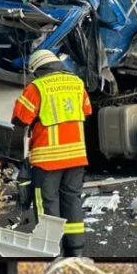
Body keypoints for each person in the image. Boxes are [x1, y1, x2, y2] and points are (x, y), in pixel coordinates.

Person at [11, 49, 90, 257]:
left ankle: (51, 251)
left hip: (48, 159)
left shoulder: (37, 87)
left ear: (36, 68)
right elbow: (86, 111)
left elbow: (19, 119)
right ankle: (75, 251)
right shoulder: (77, 84)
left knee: (47, 204)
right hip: (76, 156)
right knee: (72, 200)